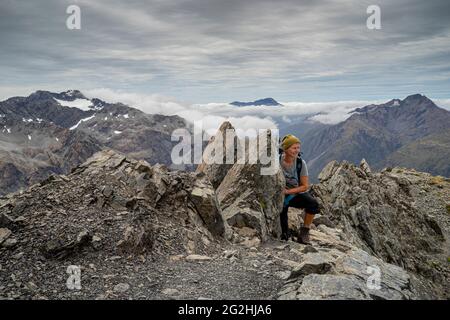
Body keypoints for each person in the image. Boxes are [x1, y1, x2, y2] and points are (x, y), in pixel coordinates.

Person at [279, 134, 320, 244]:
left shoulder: (300, 163)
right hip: (279, 195)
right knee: (284, 235)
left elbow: (305, 186)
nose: (297, 150)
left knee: (313, 204)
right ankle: (285, 233)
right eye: (294, 148)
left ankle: (304, 232)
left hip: (294, 194)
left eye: (298, 148)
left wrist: (287, 191)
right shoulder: (277, 161)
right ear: (286, 149)